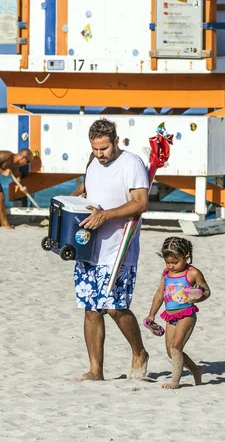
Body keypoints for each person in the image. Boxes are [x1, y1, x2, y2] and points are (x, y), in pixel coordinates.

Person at [73, 118, 150, 381]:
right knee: (90, 308)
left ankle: (139, 352)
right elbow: (87, 189)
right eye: (95, 149)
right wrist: (76, 199)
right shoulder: (92, 162)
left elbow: (140, 203)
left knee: (116, 307)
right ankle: (96, 370)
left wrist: (106, 216)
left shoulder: (132, 164)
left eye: (104, 149)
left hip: (119, 248)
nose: (99, 155)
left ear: (116, 140)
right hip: (89, 248)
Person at [145, 237, 210, 389]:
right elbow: (160, 294)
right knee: (170, 351)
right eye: (168, 262)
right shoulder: (166, 274)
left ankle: (175, 381)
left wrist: (198, 295)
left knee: (176, 347)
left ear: (186, 256)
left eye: (175, 262)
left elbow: (206, 291)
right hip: (170, 315)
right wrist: (151, 314)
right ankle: (196, 369)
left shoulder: (193, 273)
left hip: (187, 313)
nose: (171, 266)